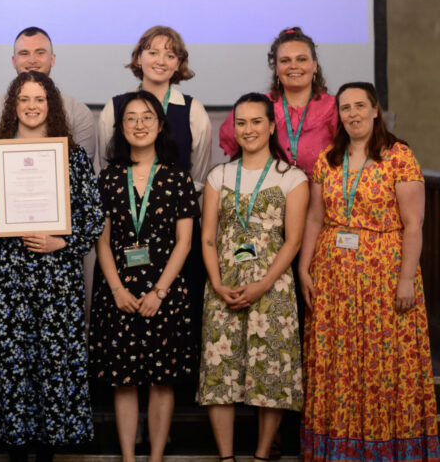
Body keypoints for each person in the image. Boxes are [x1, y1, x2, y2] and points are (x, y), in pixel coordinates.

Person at [0, 71, 104, 462]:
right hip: (5, 279)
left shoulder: (72, 156)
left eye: (39, 99)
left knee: (51, 365)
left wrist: (63, 241)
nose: (31, 106)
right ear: (13, 105)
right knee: (10, 367)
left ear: (51, 106)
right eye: (24, 99)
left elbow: (93, 218)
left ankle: (46, 450)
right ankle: (14, 449)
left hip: (55, 280)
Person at [298, 82, 439, 461]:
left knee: (385, 363)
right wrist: (303, 267)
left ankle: (388, 449)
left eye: (360, 105)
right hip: (332, 275)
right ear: (338, 115)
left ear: (376, 110)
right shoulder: (327, 158)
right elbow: (314, 217)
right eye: (345, 108)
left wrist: (407, 278)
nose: (353, 114)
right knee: (337, 363)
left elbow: (414, 223)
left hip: (386, 273)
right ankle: (338, 449)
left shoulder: (399, 156)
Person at [197, 93, 307, 462]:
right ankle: (226, 457)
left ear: (272, 125)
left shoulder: (292, 178)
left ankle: (262, 456)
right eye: (241, 123)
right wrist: (216, 282)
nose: (248, 129)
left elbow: (293, 241)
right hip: (223, 286)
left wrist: (262, 284)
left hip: (272, 290)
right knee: (220, 374)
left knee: (270, 374)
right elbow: (208, 236)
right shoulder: (219, 175)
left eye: (256, 121)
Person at [91, 90, 199, 462]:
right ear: (121, 128)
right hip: (118, 292)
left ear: (161, 125)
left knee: (161, 380)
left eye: (147, 117)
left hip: (163, 293)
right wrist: (118, 289)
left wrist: (160, 291)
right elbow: (101, 242)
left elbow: (184, 243)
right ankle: (127, 457)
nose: (139, 124)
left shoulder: (178, 179)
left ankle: (154, 458)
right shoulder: (107, 179)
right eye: (131, 118)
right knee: (123, 382)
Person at [97, 26, 211, 184]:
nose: (161, 61)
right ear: (138, 58)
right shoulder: (115, 108)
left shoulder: (193, 110)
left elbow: (198, 177)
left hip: (177, 205)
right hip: (124, 204)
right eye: (153, 53)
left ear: (178, 64)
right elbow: (106, 164)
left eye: (170, 56)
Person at [220, 27, 337, 176]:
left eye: (301, 59)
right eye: (285, 60)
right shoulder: (258, 107)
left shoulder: (334, 107)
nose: (293, 66)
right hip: (268, 196)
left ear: (314, 65)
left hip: (321, 196)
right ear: (276, 68)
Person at [0, 26, 97, 161]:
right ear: (14, 61)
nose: (32, 60)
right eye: (24, 53)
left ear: (52, 59)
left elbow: (84, 167)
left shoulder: (79, 113)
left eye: (40, 52)